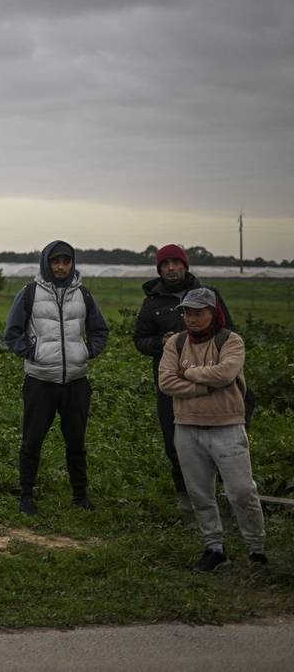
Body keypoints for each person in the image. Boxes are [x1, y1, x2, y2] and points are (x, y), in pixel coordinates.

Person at [158, 288, 266, 573]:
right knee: (199, 493)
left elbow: (226, 374)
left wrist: (188, 373)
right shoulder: (176, 343)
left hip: (227, 425)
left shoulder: (230, 341)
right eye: (187, 313)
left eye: (198, 313)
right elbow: (166, 382)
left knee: (242, 491)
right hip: (186, 426)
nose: (191, 319)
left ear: (213, 313)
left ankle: (256, 550)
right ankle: (214, 548)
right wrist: (205, 387)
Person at [3, 240, 109, 515]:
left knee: (76, 442)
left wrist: (87, 351)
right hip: (40, 381)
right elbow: (12, 333)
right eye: (55, 261)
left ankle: (80, 496)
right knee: (32, 441)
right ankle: (26, 496)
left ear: (72, 263)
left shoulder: (83, 294)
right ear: (46, 263)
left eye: (66, 261)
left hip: (76, 382)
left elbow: (100, 330)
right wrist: (33, 353)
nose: (61, 267)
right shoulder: (29, 293)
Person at [133, 244, 234, 512]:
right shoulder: (152, 302)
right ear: (159, 269)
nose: (171, 268)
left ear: (185, 265)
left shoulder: (209, 294)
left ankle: (220, 489)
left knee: (217, 433)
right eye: (165, 264)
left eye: (176, 263)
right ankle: (185, 492)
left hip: (209, 379)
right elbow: (140, 340)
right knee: (174, 437)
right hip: (171, 382)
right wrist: (161, 343)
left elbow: (229, 330)